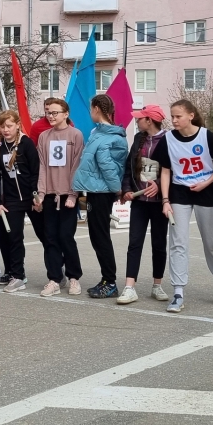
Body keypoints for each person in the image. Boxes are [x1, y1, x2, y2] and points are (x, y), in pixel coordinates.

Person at [157, 99, 213, 314]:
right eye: (172, 116)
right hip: (179, 192)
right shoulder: (168, 139)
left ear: (191, 115)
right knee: (178, 242)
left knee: (212, 242)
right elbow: (165, 171)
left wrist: (207, 182)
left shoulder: (206, 136)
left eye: (178, 116)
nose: (174, 120)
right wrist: (165, 200)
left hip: (205, 191)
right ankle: (178, 291)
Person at [73, 94, 129, 299]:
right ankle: (106, 279)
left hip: (103, 192)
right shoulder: (97, 132)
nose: (90, 113)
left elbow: (109, 167)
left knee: (101, 237)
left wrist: (116, 190)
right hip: (95, 190)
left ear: (97, 108)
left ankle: (110, 281)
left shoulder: (112, 137)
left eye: (91, 109)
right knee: (97, 236)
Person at [117, 104, 169, 305]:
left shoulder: (168, 139)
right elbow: (129, 167)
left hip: (158, 202)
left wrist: (158, 186)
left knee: (159, 244)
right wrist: (127, 188)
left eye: (140, 118)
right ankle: (130, 287)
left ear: (150, 120)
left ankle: (157, 284)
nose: (137, 121)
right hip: (139, 200)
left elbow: (173, 169)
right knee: (134, 242)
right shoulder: (139, 139)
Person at [34, 97, 85, 297]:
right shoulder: (44, 136)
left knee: (66, 236)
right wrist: (40, 194)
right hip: (49, 195)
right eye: (48, 112)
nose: (51, 116)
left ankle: (74, 277)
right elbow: (42, 167)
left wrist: (73, 194)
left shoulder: (76, 135)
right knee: (50, 238)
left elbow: (76, 166)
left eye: (55, 112)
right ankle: (54, 278)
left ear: (66, 114)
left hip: (67, 196)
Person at [0, 110, 40, 293]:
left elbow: (35, 170)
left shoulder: (27, 144)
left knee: (45, 235)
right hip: (11, 200)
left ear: (18, 124)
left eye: (9, 126)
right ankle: (18, 276)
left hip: (31, 198)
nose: (6, 130)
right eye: (2, 126)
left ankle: (58, 270)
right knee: (14, 238)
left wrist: (36, 195)